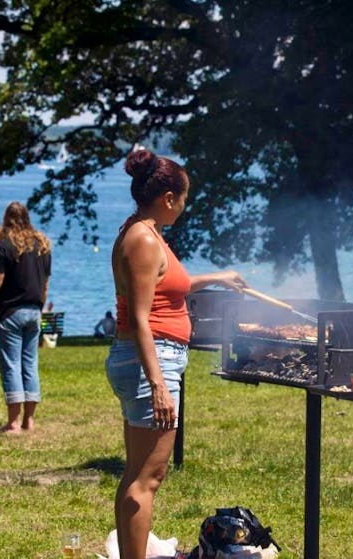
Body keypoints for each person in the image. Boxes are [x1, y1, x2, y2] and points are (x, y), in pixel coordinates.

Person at [107, 148, 248, 559]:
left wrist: (219, 277)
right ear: (169, 197)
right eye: (184, 199)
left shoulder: (144, 233)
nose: (184, 207)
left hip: (146, 359)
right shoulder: (143, 240)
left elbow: (171, 284)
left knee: (138, 474)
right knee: (148, 478)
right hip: (150, 362)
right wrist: (158, 386)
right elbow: (139, 318)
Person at [0, 201, 52, 434]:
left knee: (11, 365)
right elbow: (45, 285)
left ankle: (13, 422)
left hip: (10, 312)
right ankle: (29, 421)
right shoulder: (42, 245)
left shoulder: (3, 246)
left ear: (6, 219)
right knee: (30, 364)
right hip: (33, 310)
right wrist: (39, 306)